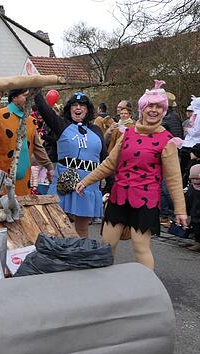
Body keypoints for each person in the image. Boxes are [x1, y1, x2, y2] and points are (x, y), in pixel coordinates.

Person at [76, 80, 187, 270]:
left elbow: (174, 179)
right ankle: (102, 287)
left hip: (145, 201)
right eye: (150, 106)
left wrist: (180, 210)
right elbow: (110, 164)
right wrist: (86, 181)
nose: (154, 110)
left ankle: (147, 291)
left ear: (164, 111)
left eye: (159, 107)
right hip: (119, 197)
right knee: (106, 245)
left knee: (141, 248)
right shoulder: (127, 134)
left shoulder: (167, 140)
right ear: (142, 109)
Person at [34, 91, 104, 237]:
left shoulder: (96, 130)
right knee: (56, 224)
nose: (78, 108)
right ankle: (56, 255)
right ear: (69, 109)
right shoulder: (62, 125)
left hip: (89, 183)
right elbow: (45, 110)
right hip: (64, 179)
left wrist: (111, 183)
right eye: (74, 105)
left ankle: (79, 256)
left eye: (82, 105)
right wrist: (36, 89)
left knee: (83, 228)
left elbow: (105, 158)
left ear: (88, 109)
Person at [0, 89, 51, 196]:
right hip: (2, 181)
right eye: (25, 96)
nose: (30, 99)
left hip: (24, 184)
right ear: (14, 97)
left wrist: (49, 167)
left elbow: (38, 148)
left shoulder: (31, 121)